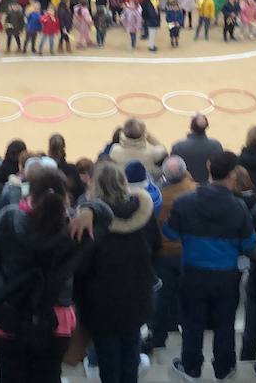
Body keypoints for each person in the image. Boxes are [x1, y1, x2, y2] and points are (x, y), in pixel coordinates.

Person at [0, 168, 105, 383]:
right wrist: (90, 209)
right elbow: (107, 216)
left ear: (30, 192)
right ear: (66, 196)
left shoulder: (8, 217)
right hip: (55, 320)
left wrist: (0, 276)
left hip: (6, 312)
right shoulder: (76, 226)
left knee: (9, 377)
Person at [162, 151, 256, 382]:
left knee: (192, 323)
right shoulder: (239, 208)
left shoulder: (184, 202)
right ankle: (224, 369)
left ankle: (191, 367)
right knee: (225, 324)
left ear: (208, 166)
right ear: (233, 175)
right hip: (226, 277)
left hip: (193, 274)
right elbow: (248, 245)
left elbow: (170, 233)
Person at [76, 162, 159, 383]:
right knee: (130, 355)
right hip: (135, 299)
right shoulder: (144, 214)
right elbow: (155, 249)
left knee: (110, 362)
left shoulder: (88, 221)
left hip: (102, 305)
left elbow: (80, 267)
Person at [145, 155, 194, 355]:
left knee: (163, 297)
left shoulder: (158, 198)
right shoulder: (194, 190)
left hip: (164, 252)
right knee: (186, 296)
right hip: (187, 251)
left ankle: (158, 337)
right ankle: (181, 330)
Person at [170, 113, 223, 183]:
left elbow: (172, 170)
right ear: (206, 127)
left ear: (191, 127)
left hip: (186, 188)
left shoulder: (178, 147)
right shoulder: (216, 145)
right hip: (209, 186)